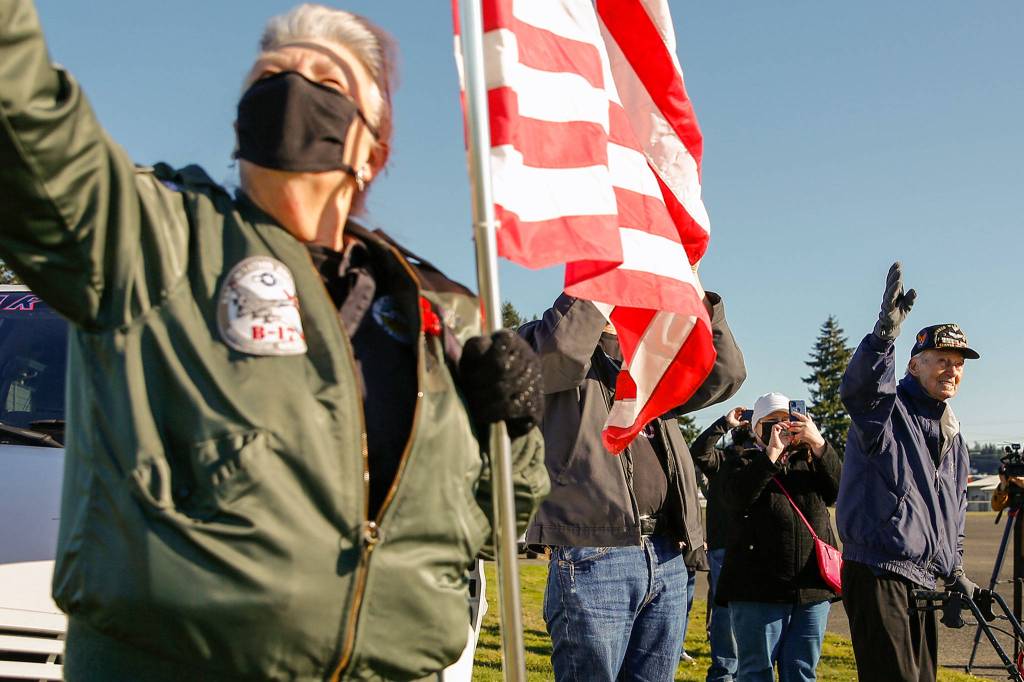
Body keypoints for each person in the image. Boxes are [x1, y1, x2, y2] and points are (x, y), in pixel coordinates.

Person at [0, 3, 550, 680]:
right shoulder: (152, 239)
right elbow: (22, 122)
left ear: (372, 144)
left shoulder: (442, 314)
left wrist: (518, 427)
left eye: (325, 78)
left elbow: (495, 519)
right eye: (270, 74)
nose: (291, 84)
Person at [520, 291, 746, 681]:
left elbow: (725, 374)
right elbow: (558, 354)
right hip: (594, 554)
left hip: (668, 555)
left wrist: (698, 299)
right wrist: (594, 290)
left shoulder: (651, 359)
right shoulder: (542, 342)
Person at [837, 262, 980, 682]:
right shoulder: (884, 411)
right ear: (914, 365)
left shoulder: (952, 436)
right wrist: (883, 337)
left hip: (920, 579)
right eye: (940, 359)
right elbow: (860, 390)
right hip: (878, 570)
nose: (951, 370)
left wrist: (954, 573)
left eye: (958, 363)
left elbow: (953, 514)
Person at [713, 393, 842, 682]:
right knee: (755, 672)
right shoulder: (740, 460)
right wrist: (770, 455)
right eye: (771, 423)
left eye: (788, 422)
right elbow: (736, 500)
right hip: (756, 590)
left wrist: (819, 443)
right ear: (755, 428)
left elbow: (839, 491)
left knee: (802, 672)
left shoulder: (810, 460)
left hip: (811, 588)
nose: (781, 429)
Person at [689, 406, 756, 682]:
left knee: (754, 614)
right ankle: (724, 674)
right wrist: (723, 424)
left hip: (758, 548)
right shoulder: (723, 460)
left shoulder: (771, 460)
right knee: (726, 613)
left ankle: (744, 672)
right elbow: (699, 451)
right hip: (725, 547)